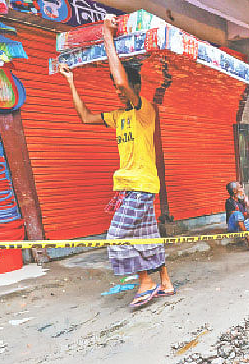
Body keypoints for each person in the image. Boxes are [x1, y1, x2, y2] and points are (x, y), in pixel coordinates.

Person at [59, 15, 174, 308]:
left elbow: (122, 80)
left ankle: (145, 281)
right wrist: (71, 82)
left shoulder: (144, 110)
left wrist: (107, 36)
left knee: (117, 236)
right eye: (115, 88)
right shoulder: (117, 116)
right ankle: (165, 282)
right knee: (147, 236)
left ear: (135, 89)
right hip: (132, 187)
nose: (117, 90)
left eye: (122, 87)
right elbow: (85, 117)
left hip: (141, 185)